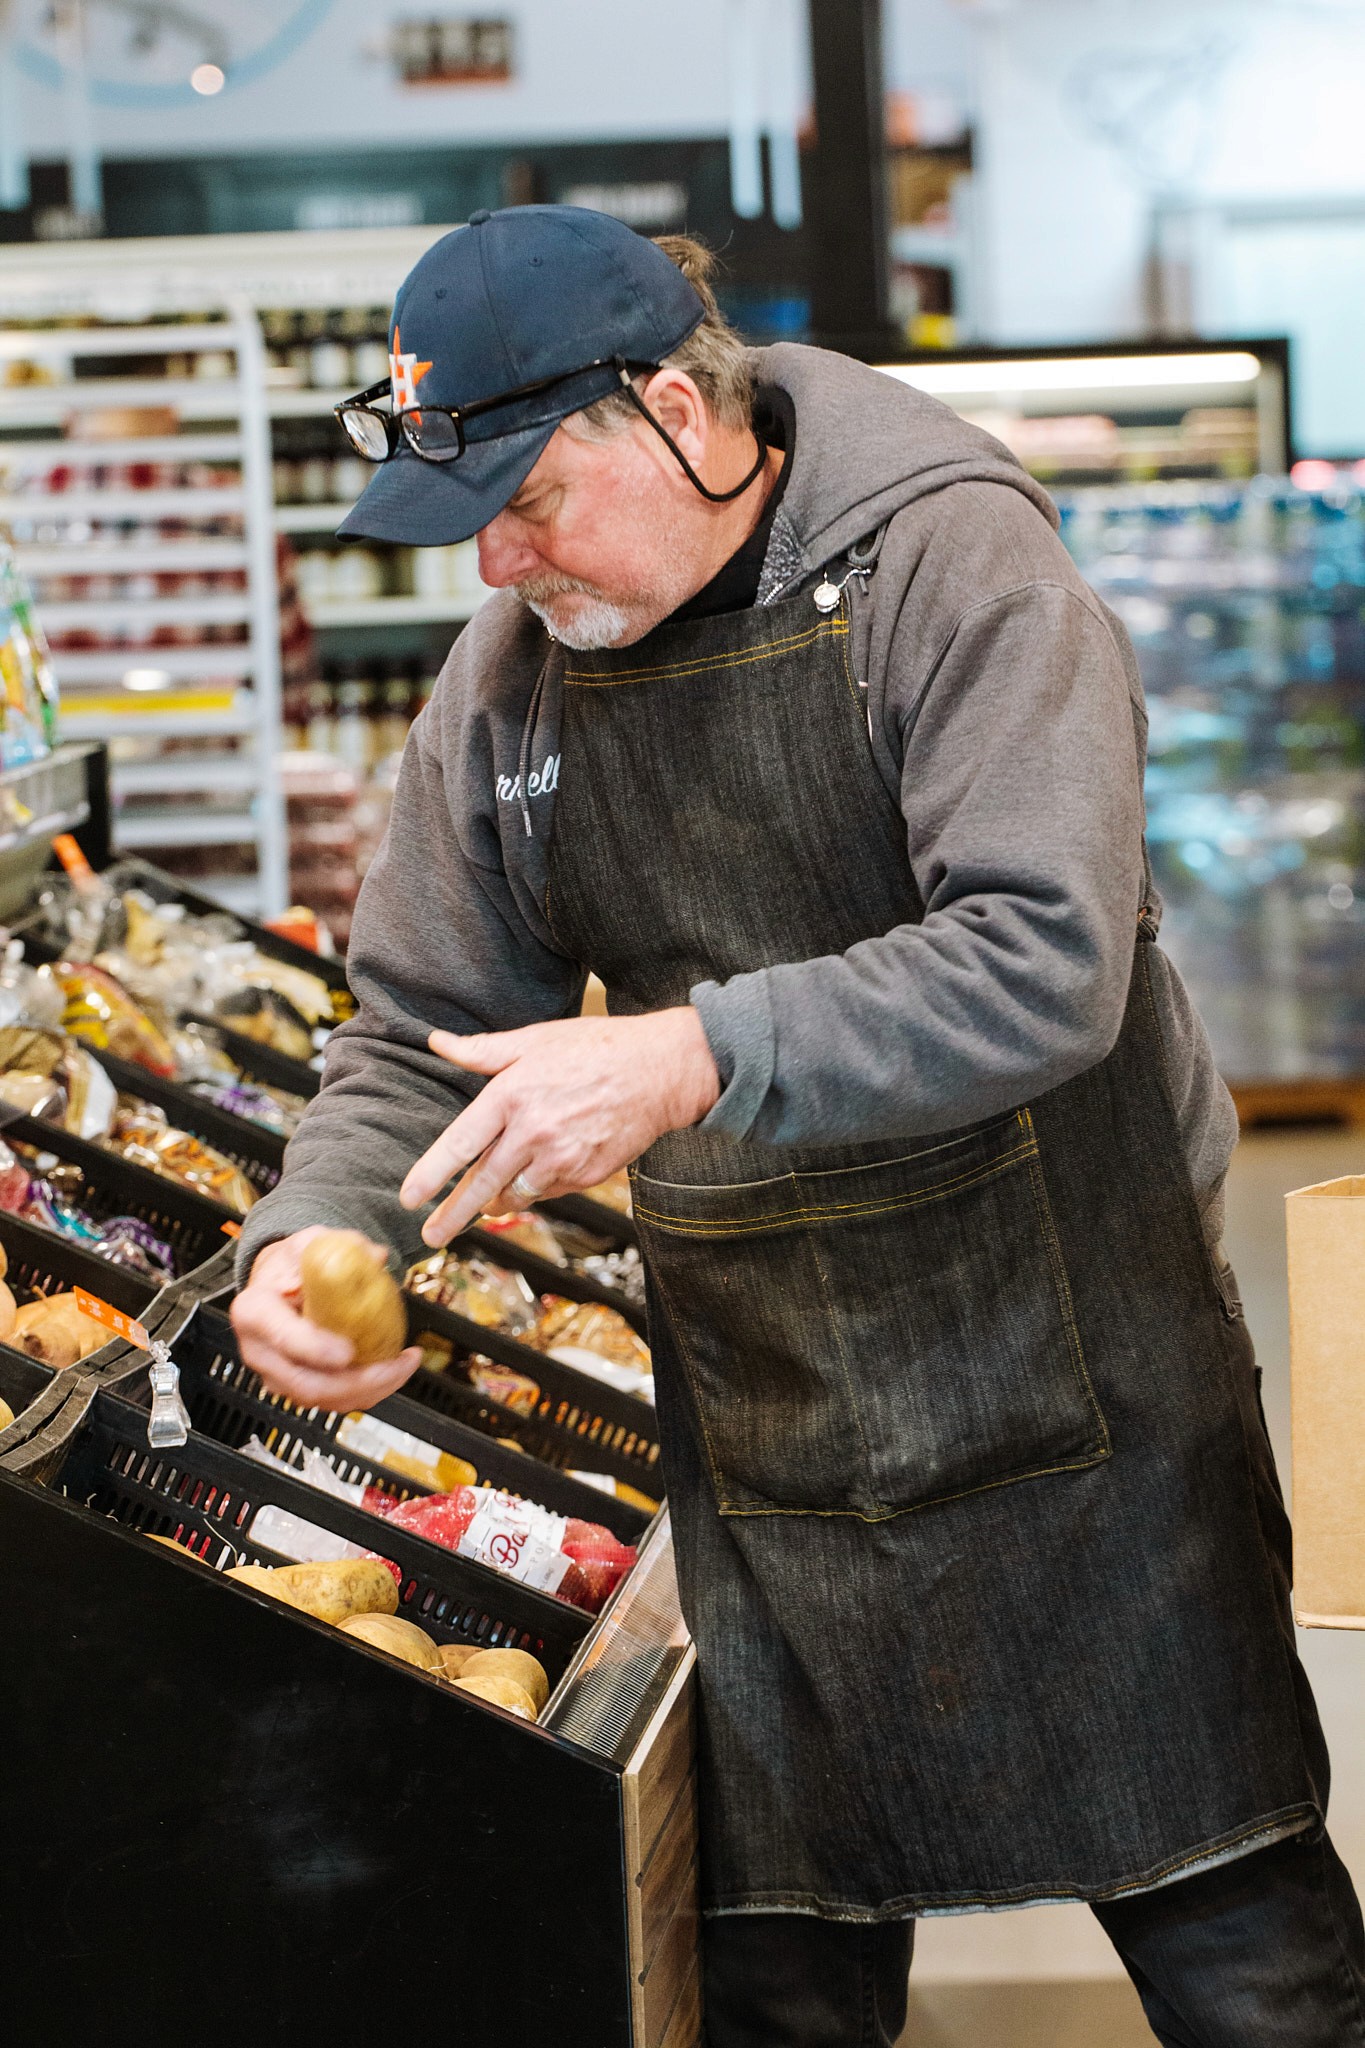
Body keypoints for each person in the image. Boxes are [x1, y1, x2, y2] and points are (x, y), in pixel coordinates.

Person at [231, 205, 1365, 2048]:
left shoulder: (951, 566)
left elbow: (1042, 955)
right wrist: (326, 1230)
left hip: (1079, 1390)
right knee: (778, 1991)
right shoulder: (509, 684)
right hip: (769, 1435)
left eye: (527, 500)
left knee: (1249, 1967)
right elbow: (416, 1039)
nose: (503, 564)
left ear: (679, 409)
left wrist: (688, 1056)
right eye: (471, 526)